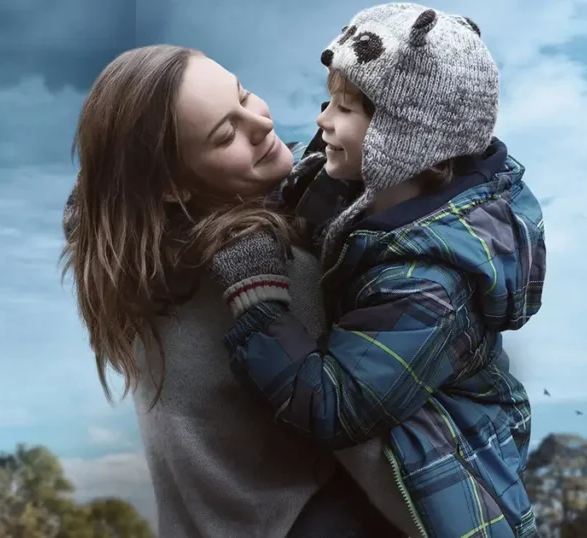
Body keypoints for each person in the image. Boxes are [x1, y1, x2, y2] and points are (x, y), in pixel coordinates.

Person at [209, 4, 547, 538]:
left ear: (407, 136)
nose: (323, 120)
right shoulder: (361, 181)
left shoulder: (430, 283)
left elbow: (334, 404)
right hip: (384, 430)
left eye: (345, 108)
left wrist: (259, 299)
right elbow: (291, 181)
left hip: (440, 484)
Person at [60, 44, 415, 537]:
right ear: (170, 187)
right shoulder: (266, 275)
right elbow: (374, 455)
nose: (261, 124)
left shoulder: (132, 275)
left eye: (243, 96)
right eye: (226, 133)